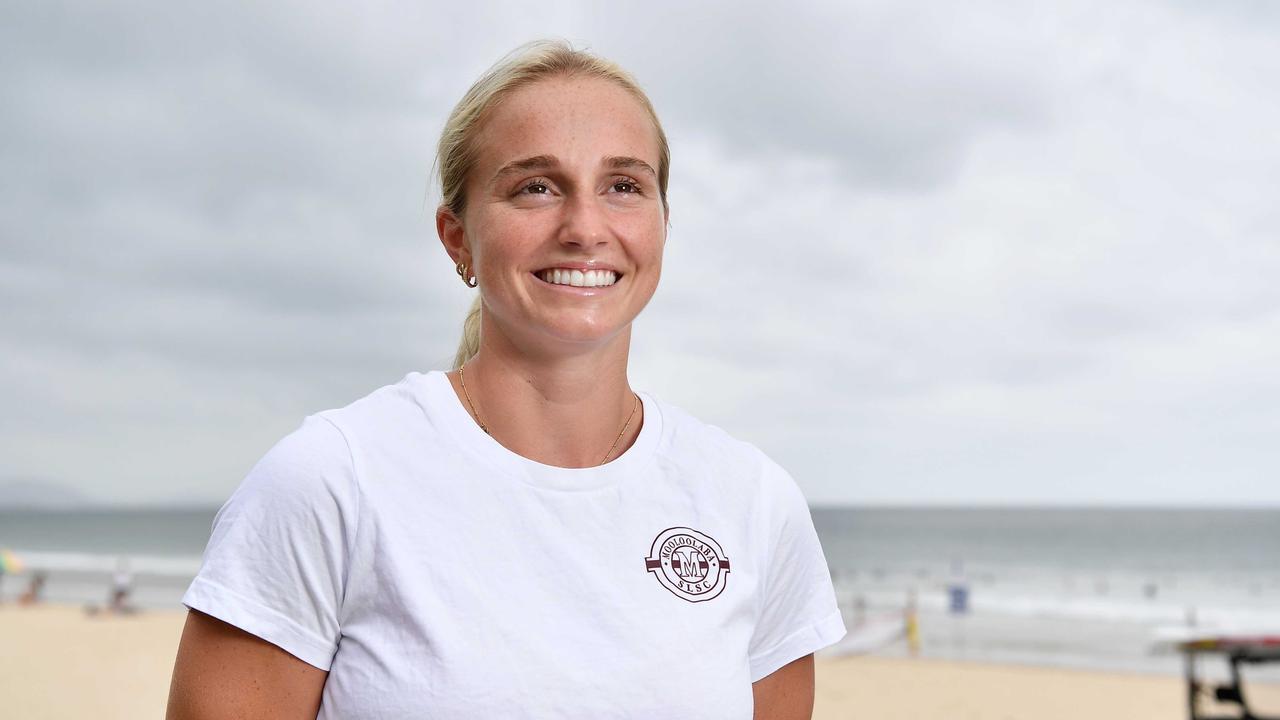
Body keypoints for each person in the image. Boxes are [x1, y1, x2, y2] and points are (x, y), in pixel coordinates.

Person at [166, 39, 845, 719]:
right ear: (457, 237)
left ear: (662, 223)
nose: (584, 227)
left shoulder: (752, 503)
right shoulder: (332, 481)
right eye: (536, 187)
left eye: (623, 186)